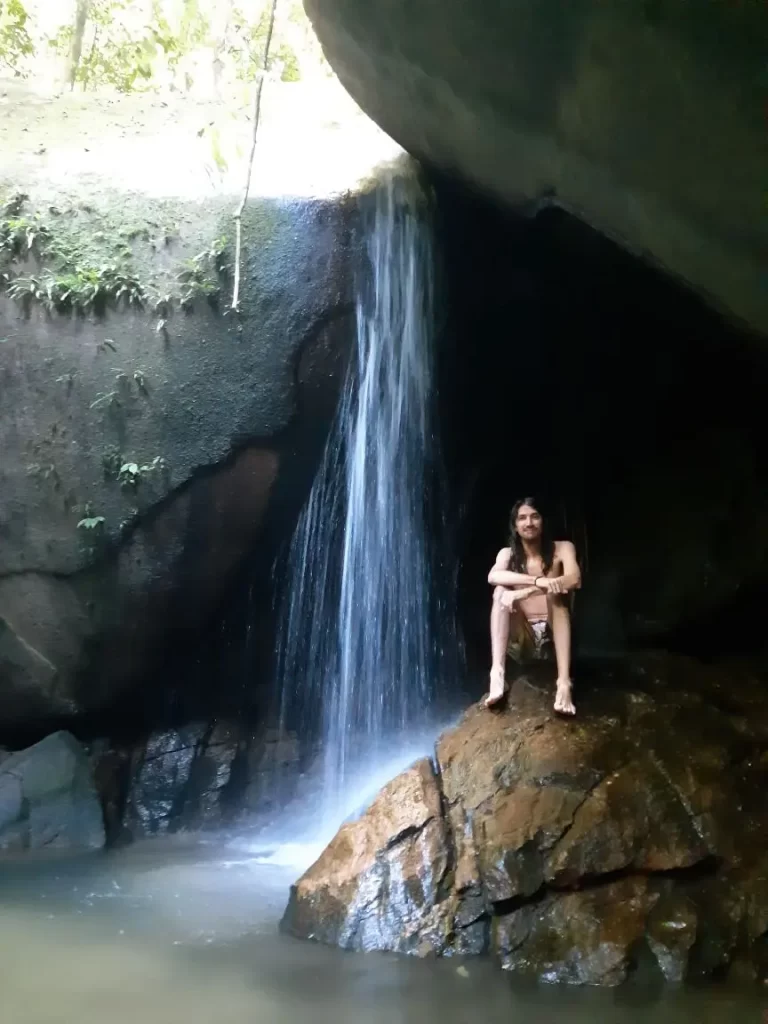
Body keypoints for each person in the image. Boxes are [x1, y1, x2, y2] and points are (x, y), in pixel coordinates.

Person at [486, 497, 581, 714]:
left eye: (535, 516)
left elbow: (574, 579)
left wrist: (528, 590)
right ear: (515, 526)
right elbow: (493, 576)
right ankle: (497, 674)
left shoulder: (562, 549)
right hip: (523, 636)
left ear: (543, 521)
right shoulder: (507, 555)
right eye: (522, 518)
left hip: (553, 635)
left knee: (554, 596)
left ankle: (564, 683)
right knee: (500, 592)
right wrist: (538, 581)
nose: (529, 523)